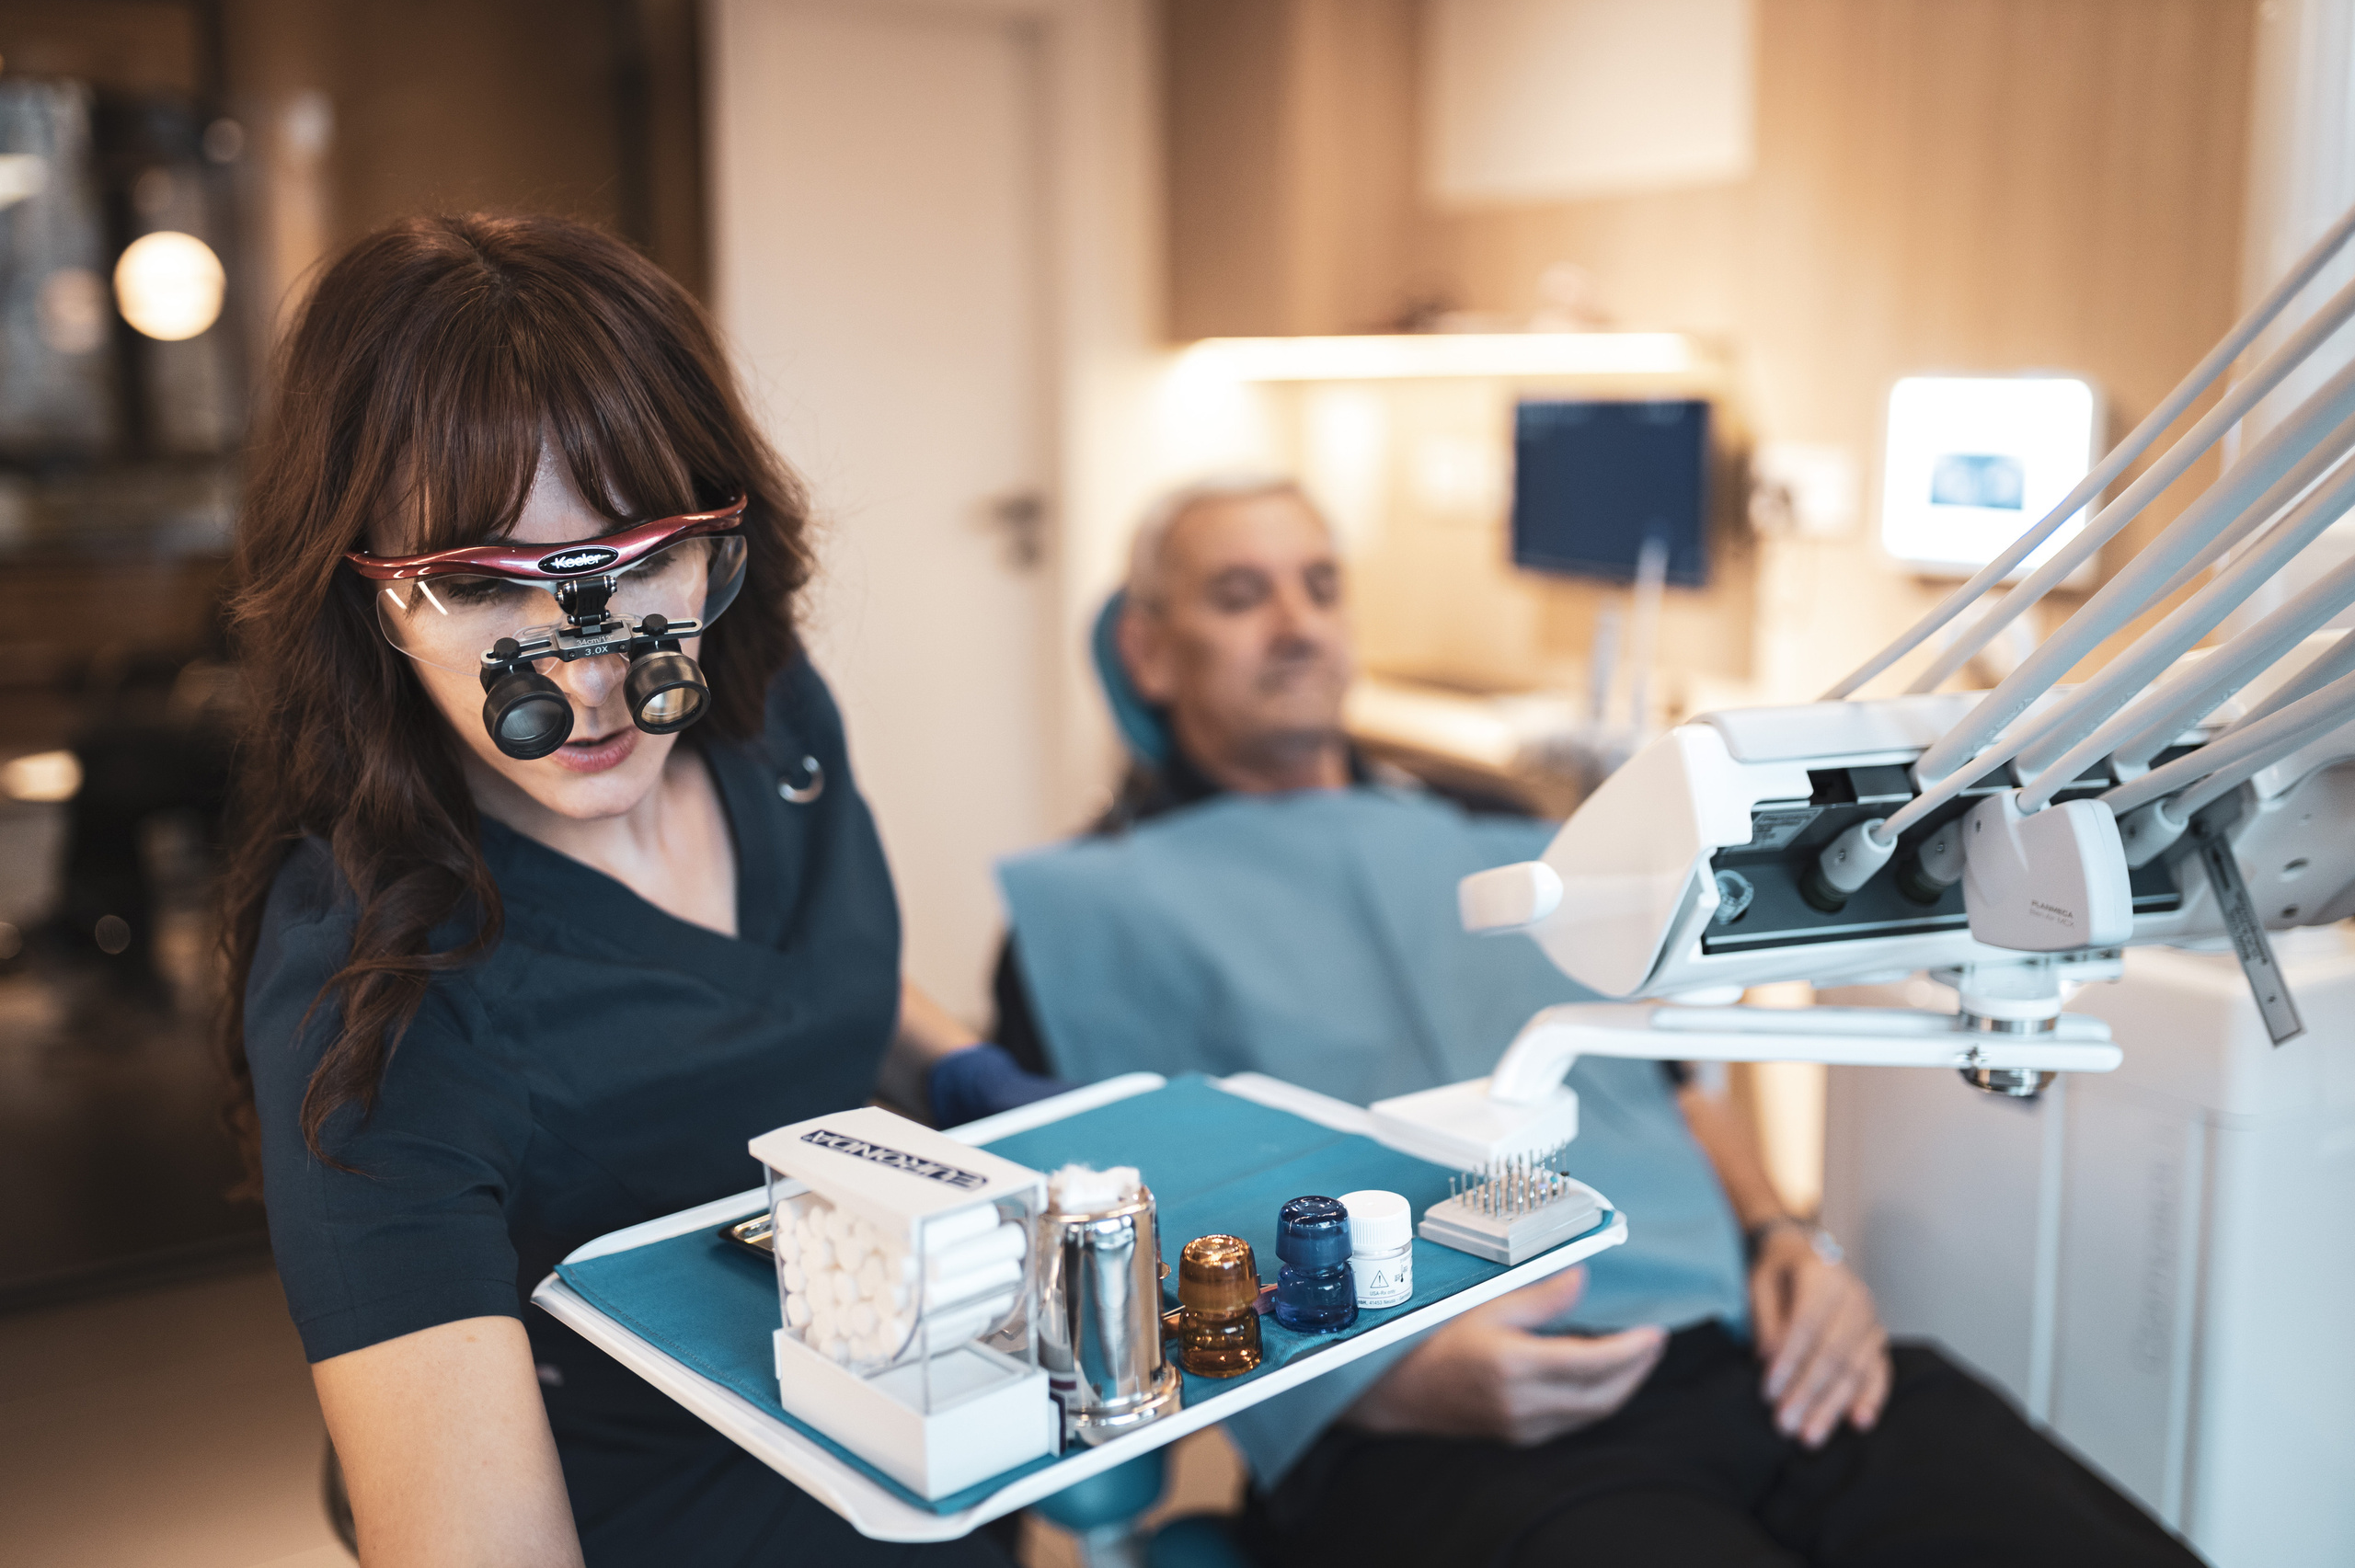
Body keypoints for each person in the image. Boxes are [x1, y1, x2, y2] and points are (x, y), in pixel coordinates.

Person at [989, 475, 2201, 1567]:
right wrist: (1370, 1387)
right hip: (1432, 1438)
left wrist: (1791, 1244)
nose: (1297, 625)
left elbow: (1680, 1082)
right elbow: (1072, 1261)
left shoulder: (1524, 834)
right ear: (1149, 653)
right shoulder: (1084, 925)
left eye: (1319, 586)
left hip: (1741, 1358)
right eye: (1241, 597)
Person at [219, 214, 1025, 1568]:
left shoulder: (772, 720)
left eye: (644, 559)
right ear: (366, 598)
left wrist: (966, 1068)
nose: (590, 683)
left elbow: (813, 971)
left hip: (915, 1435)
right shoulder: (371, 991)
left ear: (724, 539)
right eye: (479, 582)